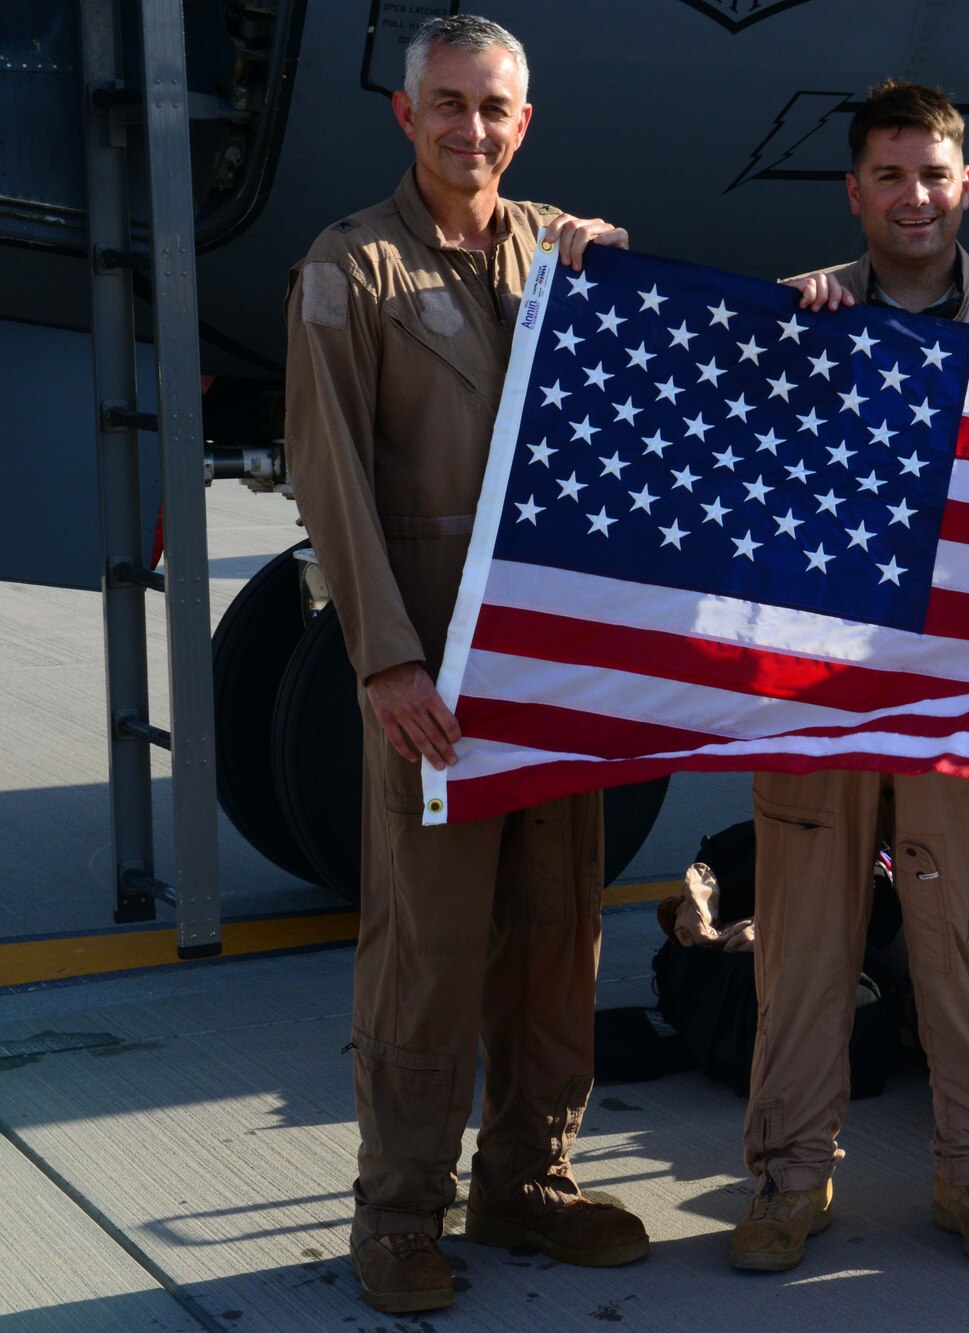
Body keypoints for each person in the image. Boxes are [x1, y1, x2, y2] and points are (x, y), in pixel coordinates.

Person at [284, 15, 644, 1314]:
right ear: (405, 112)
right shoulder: (350, 268)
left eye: (494, 109)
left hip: (552, 664)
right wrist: (383, 658)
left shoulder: (565, 252)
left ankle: (526, 1178)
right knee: (429, 948)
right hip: (433, 662)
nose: (470, 129)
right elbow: (327, 472)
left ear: (522, 123)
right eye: (448, 104)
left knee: (559, 934)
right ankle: (396, 1214)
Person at [730, 79, 969, 1275]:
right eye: (889, 175)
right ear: (854, 191)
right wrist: (791, 345)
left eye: (933, 174)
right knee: (804, 949)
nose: (913, 197)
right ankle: (785, 1181)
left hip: (961, 699)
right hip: (816, 695)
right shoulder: (798, 325)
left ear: (963, 184)